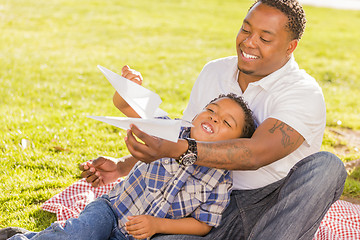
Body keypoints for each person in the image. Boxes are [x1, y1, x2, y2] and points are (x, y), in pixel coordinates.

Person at [90, 0, 347, 239]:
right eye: (245, 30)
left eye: (265, 38)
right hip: (202, 204)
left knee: (328, 166)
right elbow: (184, 134)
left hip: (270, 206)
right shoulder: (215, 71)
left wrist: (179, 149)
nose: (249, 42)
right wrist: (123, 166)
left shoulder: (303, 92)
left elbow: (255, 154)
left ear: (290, 47)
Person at [3, 93, 256, 240]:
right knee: (80, 233)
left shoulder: (221, 180)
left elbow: (203, 224)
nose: (214, 116)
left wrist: (158, 225)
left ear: (234, 144)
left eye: (226, 121)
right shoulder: (169, 130)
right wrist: (127, 87)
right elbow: (126, 107)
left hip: (139, 236)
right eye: (211, 109)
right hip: (110, 211)